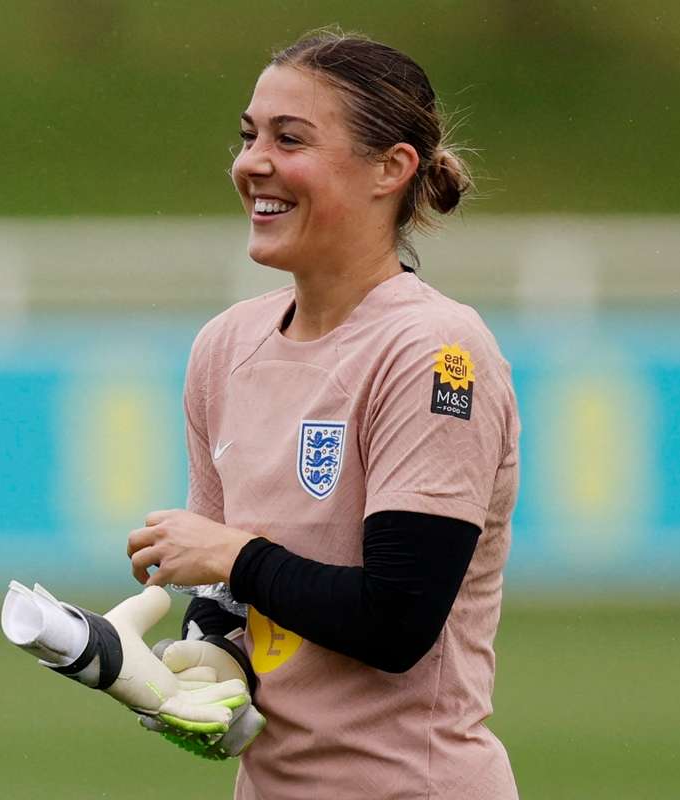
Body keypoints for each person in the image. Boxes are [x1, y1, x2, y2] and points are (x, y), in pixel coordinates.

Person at [126, 31, 520, 800]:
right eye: (248, 136)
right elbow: (228, 601)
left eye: (290, 139)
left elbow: (397, 621)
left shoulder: (433, 349)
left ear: (391, 168)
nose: (252, 163)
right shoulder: (225, 345)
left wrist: (233, 558)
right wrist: (204, 668)